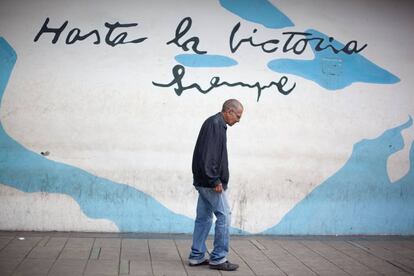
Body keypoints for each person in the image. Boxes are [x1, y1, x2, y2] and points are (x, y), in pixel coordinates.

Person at [188, 99, 243, 271]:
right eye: (238, 116)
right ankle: (218, 258)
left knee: (204, 219)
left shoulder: (216, 123)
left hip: (204, 181)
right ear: (228, 111)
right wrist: (215, 180)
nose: (239, 120)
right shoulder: (215, 124)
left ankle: (197, 256)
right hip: (210, 182)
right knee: (224, 216)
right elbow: (208, 156)